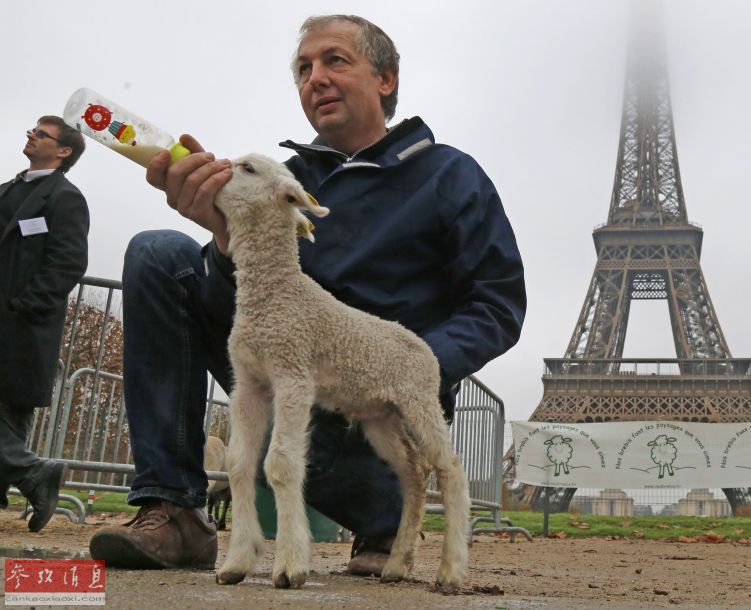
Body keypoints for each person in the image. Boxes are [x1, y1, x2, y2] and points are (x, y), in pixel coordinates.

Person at [89, 14, 526, 574]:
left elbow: (497, 303)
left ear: (386, 78)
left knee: (358, 440)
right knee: (158, 252)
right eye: (302, 69)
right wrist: (225, 242)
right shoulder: (279, 178)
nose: (313, 77)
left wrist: (408, 370)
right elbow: (245, 317)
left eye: (334, 61)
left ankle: (383, 522)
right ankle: (172, 508)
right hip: (291, 384)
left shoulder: (451, 175)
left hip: (377, 404)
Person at [0, 116, 89, 532]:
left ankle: (34, 471)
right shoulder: (6, 191)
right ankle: (31, 475)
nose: (30, 136)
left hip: (21, 325)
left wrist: (24, 307)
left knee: (10, 410)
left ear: (63, 150)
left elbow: (68, 261)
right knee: (7, 419)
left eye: (40, 133)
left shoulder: (65, 198)